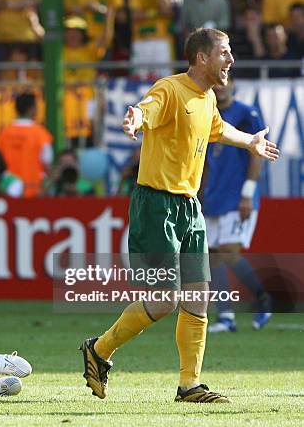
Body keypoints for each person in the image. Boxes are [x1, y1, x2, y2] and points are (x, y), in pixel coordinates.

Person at [80, 28, 279, 403]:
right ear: (202, 58)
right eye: (224, 52)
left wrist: (250, 141)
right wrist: (135, 119)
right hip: (157, 206)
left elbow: (220, 130)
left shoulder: (206, 100)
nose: (231, 60)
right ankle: (99, 349)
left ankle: (189, 385)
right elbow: (146, 109)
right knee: (164, 300)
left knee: (198, 298)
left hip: (190, 208)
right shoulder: (170, 89)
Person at [203, 76, 272, 332]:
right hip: (214, 197)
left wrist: (248, 193)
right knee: (211, 257)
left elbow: (257, 153)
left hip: (236, 196)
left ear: (233, 85)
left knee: (229, 251)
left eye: (224, 82)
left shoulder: (246, 113)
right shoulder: (208, 115)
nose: (220, 87)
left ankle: (264, 299)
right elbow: (207, 162)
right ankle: (226, 317)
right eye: (215, 84)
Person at [0, 92, 53, 197]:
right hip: (34, 191)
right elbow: (47, 164)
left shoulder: (3, 133)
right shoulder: (41, 134)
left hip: (8, 191)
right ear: (32, 109)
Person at [128, 0, 175, 79]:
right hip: (141, 40)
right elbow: (135, 15)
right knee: (140, 77)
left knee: (164, 78)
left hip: (162, 40)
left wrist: (147, 13)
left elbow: (167, 11)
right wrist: (155, 12)